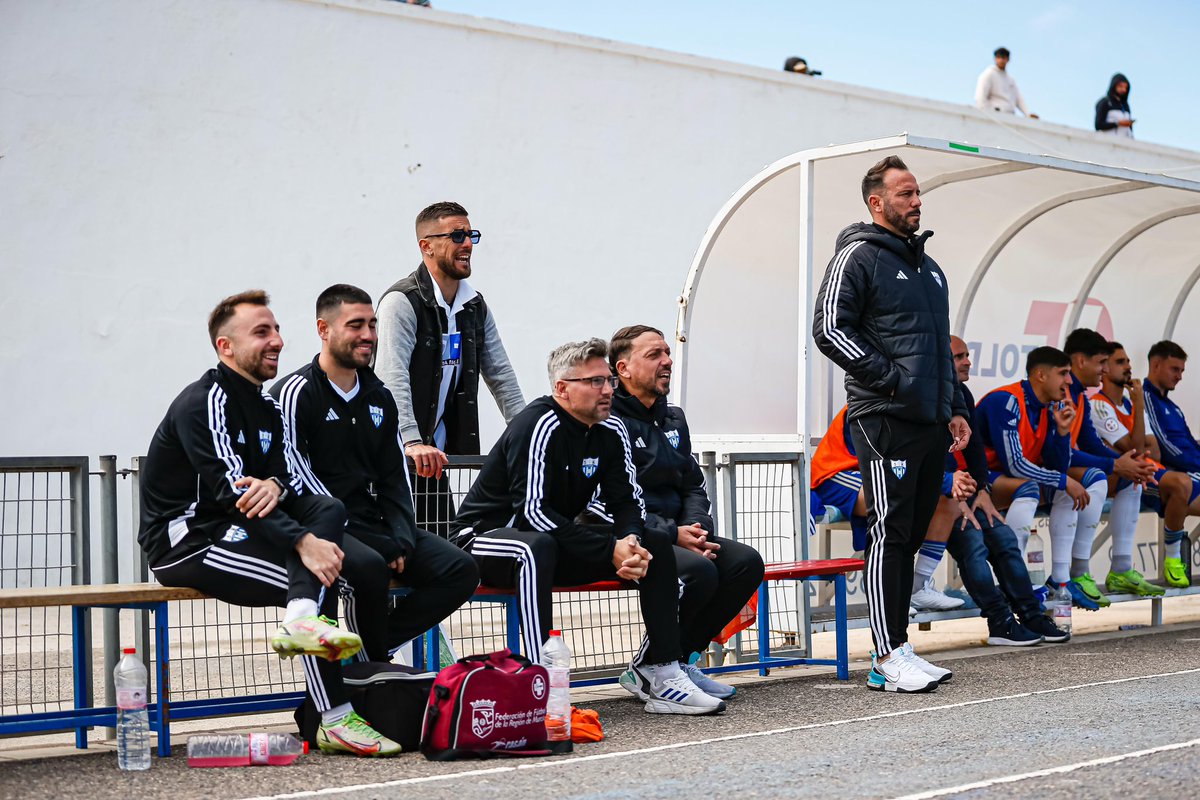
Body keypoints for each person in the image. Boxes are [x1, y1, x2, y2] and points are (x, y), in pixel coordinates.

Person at [137, 290, 400, 756]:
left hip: (242, 529)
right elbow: (229, 493)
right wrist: (303, 543)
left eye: (277, 330)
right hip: (189, 541)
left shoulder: (268, 406)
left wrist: (276, 483)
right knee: (322, 577)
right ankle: (335, 719)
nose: (277, 340)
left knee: (330, 508)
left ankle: (304, 625)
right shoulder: (206, 401)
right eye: (262, 332)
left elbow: (295, 486)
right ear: (226, 347)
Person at [450, 339, 725, 715]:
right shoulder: (538, 424)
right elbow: (532, 514)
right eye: (595, 382)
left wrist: (629, 541)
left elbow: (628, 501)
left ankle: (661, 671)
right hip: (486, 541)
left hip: (553, 538)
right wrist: (607, 549)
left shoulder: (611, 428)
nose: (608, 390)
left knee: (655, 543)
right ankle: (540, 681)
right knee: (535, 548)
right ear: (562, 389)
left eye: (609, 380)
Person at [812, 155, 974, 693]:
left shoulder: (931, 269)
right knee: (890, 531)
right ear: (876, 202)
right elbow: (829, 330)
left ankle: (900, 646)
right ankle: (884, 656)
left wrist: (952, 407)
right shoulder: (857, 254)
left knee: (910, 533)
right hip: (884, 419)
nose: (916, 201)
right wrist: (892, 381)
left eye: (918, 192)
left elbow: (937, 351)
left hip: (929, 423)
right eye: (905, 194)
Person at [272, 284, 480, 662]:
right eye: (356, 325)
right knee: (368, 566)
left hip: (372, 527)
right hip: (319, 530)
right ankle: (366, 670)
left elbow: (394, 477)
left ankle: (371, 652)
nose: (368, 335)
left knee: (461, 569)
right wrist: (377, 542)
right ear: (323, 329)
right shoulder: (295, 393)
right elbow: (297, 479)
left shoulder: (379, 396)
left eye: (371, 325)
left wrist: (400, 537)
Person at [600, 324, 765, 702]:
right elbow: (615, 500)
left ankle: (673, 661)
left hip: (679, 534)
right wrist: (673, 535)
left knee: (745, 562)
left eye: (667, 353)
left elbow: (693, 483)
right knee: (699, 572)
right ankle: (658, 667)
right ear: (623, 369)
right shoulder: (609, 422)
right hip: (633, 536)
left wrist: (696, 529)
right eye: (654, 355)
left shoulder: (673, 418)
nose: (667, 361)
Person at [374, 201, 525, 535]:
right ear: (426, 246)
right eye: (457, 235)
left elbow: (501, 376)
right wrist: (411, 441)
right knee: (397, 561)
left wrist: (527, 432)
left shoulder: (474, 304)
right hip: (392, 460)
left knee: (447, 550)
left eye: (471, 235)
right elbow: (391, 376)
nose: (468, 243)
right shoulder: (402, 301)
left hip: (435, 462)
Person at [944, 336, 1070, 645]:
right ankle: (1000, 622)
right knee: (974, 543)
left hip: (966, 487)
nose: (968, 361)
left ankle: (1031, 614)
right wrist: (950, 490)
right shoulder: (922, 395)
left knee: (1004, 539)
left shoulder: (962, 392)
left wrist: (983, 489)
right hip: (936, 491)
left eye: (967, 355)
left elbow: (972, 449)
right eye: (959, 356)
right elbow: (927, 452)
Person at [975, 347, 1110, 611]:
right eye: (1063, 374)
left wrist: (1062, 432)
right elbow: (1015, 465)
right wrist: (1064, 480)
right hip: (977, 481)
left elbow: (1056, 465)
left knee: (1076, 485)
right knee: (1032, 487)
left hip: (1008, 480)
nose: (1069, 382)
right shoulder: (1006, 401)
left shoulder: (1049, 408)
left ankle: (1060, 580)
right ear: (1039, 375)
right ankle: (1013, 579)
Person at [810, 404, 965, 612]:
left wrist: (954, 482)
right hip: (835, 475)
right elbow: (888, 465)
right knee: (892, 498)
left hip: (880, 476)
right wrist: (946, 480)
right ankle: (885, 590)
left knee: (948, 502)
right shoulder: (874, 403)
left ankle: (917, 588)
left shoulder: (927, 403)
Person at [1061, 328, 1157, 606]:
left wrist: (1123, 465)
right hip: (1040, 472)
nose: (1103, 370)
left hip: (1061, 468)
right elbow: (1063, 454)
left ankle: (1122, 568)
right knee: (1097, 477)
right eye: (1101, 362)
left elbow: (1090, 443)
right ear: (1081, 361)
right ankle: (1075, 573)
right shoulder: (1064, 392)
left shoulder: (1078, 395)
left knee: (1131, 476)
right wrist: (1115, 463)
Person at [1091, 341, 1197, 589]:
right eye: (1120, 362)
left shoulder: (1130, 405)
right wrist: (1139, 407)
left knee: (1180, 484)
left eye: (1128, 361)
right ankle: (1171, 560)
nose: (1128, 366)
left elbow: (1154, 451)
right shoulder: (1100, 404)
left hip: (1148, 470)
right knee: (1180, 482)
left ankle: (1129, 568)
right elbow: (1138, 449)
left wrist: (1136, 434)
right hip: (1126, 475)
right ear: (1104, 369)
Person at [1142, 340, 1200, 587]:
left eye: (1182, 371)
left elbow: (1188, 442)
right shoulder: (1145, 399)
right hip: (1169, 477)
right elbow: (1166, 449)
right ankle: (1173, 558)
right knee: (1182, 484)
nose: (1179, 377)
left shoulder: (1172, 407)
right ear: (1156, 364)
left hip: (1189, 472)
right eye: (1175, 369)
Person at [975, 47, 1038, 118]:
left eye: (1003, 58)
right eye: (999, 57)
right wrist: (986, 113)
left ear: (1007, 59)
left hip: (1010, 116)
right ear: (995, 59)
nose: (1001, 60)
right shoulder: (988, 74)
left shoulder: (1010, 79)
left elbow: (1018, 99)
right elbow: (980, 97)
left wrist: (1027, 114)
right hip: (994, 115)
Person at [1095, 73, 1133, 137]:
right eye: (1121, 86)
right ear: (1114, 86)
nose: (1124, 90)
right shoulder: (1104, 102)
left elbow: (1130, 129)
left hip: (1125, 142)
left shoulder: (1126, 105)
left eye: (1125, 87)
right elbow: (1098, 125)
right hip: (1108, 141)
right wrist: (1118, 123)